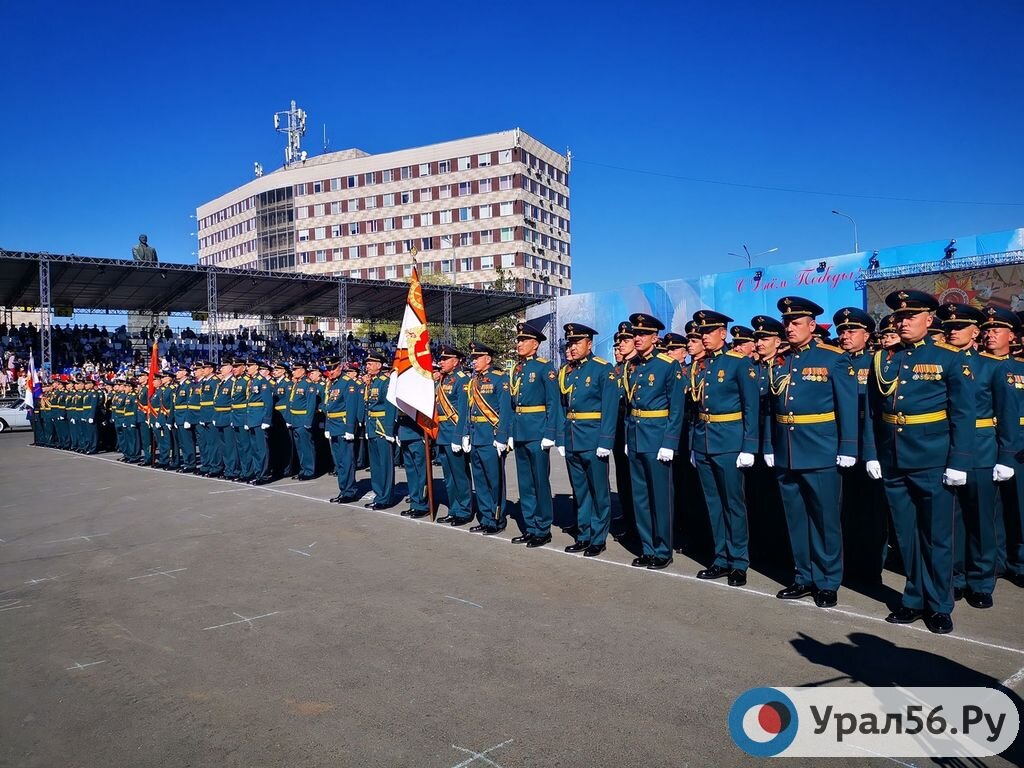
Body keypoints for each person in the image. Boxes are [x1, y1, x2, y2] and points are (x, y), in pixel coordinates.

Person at [863, 289, 976, 635]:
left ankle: (939, 604)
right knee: (907, 536)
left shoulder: (949, 358)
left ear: (929, 319)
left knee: (937, 537)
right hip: (894, 458)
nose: (902, 322)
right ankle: (913, 598)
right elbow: (872, 411)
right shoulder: (885, 359)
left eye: (910, 316)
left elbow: (963, 414)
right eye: (899, 317)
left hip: (933, 459)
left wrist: (959, 462)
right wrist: (872, 453)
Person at [764, 297, 858, 608]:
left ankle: (828, 581)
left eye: (796, 323)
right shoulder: (781, 360)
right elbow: (772, 407)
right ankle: (803, 576)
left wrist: (848, 446)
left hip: (820, 451)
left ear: (812, 325)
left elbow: (847, 405)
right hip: (787, 451)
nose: (789, 328)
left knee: (824, 520)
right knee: (796, 519)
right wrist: (770, 446)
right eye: (787, 323)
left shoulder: (833, 358)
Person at [938, 304, 1017, 608]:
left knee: (982, 520)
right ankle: (956, 577)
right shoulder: (938, 362)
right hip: (945, 450)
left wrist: (1005, 456)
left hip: (982, 450)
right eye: (949, 327)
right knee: (951, 521)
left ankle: (981, 581)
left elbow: (1007, 414)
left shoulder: (991, 366)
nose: (952, 331)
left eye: (959, 327)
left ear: (975, 332)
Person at [690, 309, 760, 586]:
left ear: (723, 333)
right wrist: (695, 444)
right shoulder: (703, 365)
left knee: (733, 504)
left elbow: (751, 406)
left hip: (730, 442)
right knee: (713, 504)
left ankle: (739, 561)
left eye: (709, 332)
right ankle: (720, 557)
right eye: (701, 333)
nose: (704, 337)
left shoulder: (739, 363)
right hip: (704, 440)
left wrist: (749, 446)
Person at [623, 313, 685, 569]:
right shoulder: (633, 365)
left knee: (660, 497)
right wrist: (628, 436)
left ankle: (662, 549)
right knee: (640, 497)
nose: (637, 338)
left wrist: (670, 442)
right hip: (636, 436)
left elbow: (676, 408)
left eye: (643, 334)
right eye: (635, 334)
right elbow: (631, 405)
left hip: (657, 438)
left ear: (655, 337)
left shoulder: (668, 365)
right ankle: (647, 547)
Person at [833, 307, 887, 584]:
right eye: (842, 331)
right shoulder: (836, 363)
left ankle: (870, 569)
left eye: (852, 330)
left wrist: (871, 451)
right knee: (845, 511)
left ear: (867, 335)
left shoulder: (876, 363)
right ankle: (848, 564)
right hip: (838, 446)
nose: (845, 335)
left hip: (868, 446)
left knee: (871, 511)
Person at [558, 323, 619, 555]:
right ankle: (584, 534)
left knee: (599, 492)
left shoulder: (603, 369)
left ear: (589, 344)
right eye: (570, 343)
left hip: (593, 439)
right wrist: (562, 437)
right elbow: (564, 407)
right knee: (580, 491)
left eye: (577, 343)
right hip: (573, 438)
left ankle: (598, 538)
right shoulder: (568, 371)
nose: (572, 347)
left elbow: (610, 408)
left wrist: (606, 441)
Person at [508, 322, 561, 545]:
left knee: (540, 483)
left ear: (536, 344)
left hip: (538, 432)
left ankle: (543, 528)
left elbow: (553, 403)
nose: (519, 344)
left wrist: (550, 433)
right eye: (518, 340)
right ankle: (530, 526)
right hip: (520, 431)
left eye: (524, 340)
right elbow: (513, 404)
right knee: (525, 484)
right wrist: (511, 432)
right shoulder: (516, 369)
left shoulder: (544, 368)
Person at [464, 342, 512, 534]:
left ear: (488, 359)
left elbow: (505, 410)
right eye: (473, 358)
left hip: (491, 437)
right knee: (480, 481)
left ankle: (497, 518)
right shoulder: (474, 381)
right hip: (476, 435)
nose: (474, 361)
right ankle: (485, 518)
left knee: (494, 481)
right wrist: (466, 434)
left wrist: (502, 436)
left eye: (477, 358)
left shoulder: (500, 378)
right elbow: (469, 410)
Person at [434, 346, 474, 526]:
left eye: (445, 359)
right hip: (443, 432)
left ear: (456, 361)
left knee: (459, 475)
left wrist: (460, 435)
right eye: (440, 359)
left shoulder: (462, 379)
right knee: (448, 476)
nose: (441, 362)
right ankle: (454, 509)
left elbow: (464, 411)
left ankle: (464, 511)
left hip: (454, 432)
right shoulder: (444, 379)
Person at [610, 321, 637, 541]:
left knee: (635, 481)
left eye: (624, 341)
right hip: (619, 430)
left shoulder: (636, 368)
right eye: (617, 344)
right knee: (623, 478)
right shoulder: (617, 371)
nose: (619, 348)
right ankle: (628, 515)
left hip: (635, 430)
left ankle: (636, 523)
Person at [361, 351, 397, 508]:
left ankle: (386, 497)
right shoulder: (373, 382)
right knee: (375, 465)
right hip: (372, 427)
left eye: (370, 364)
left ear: (379, 365)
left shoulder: (384, 382)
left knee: (384, 464)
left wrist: (389, 430)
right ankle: (379, 495)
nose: (367, 367)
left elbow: (390, 406)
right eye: (367, 364)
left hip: (382, 428)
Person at [323, 358, 361, 502]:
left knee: (346, 461)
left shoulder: (348, 383)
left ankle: (350, 491)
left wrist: (350, 429)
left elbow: (351, 407)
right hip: (333, 426)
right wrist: (327, 426)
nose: (330, 372)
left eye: (333, 368)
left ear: (340, 367)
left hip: (343, 426)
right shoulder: (334, 383)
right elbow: (329, 407)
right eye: (328, 369)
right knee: (338, 461)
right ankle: (343, 489)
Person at [245, 360, 274, 485]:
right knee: (255, 449)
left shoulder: (262, 382)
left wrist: (267, 419)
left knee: (262, 449)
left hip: (259, 419)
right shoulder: (252, 381)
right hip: (252, 419)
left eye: (249, 366)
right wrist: (247, 420)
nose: (247, 368)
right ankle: (258, 473)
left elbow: (268, 402)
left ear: (256, 367)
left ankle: (264, 475)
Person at [287, 361, 317, 481]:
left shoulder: (309, 385)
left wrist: (308, 422)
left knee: (306, 447)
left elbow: (311, 405)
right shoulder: (297, 384)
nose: (293, 372)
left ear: (303, 370)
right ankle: (303, 469)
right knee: (299, 447)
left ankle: (309, 471)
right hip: (295, 419)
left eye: (295, 369)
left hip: (303, 420)